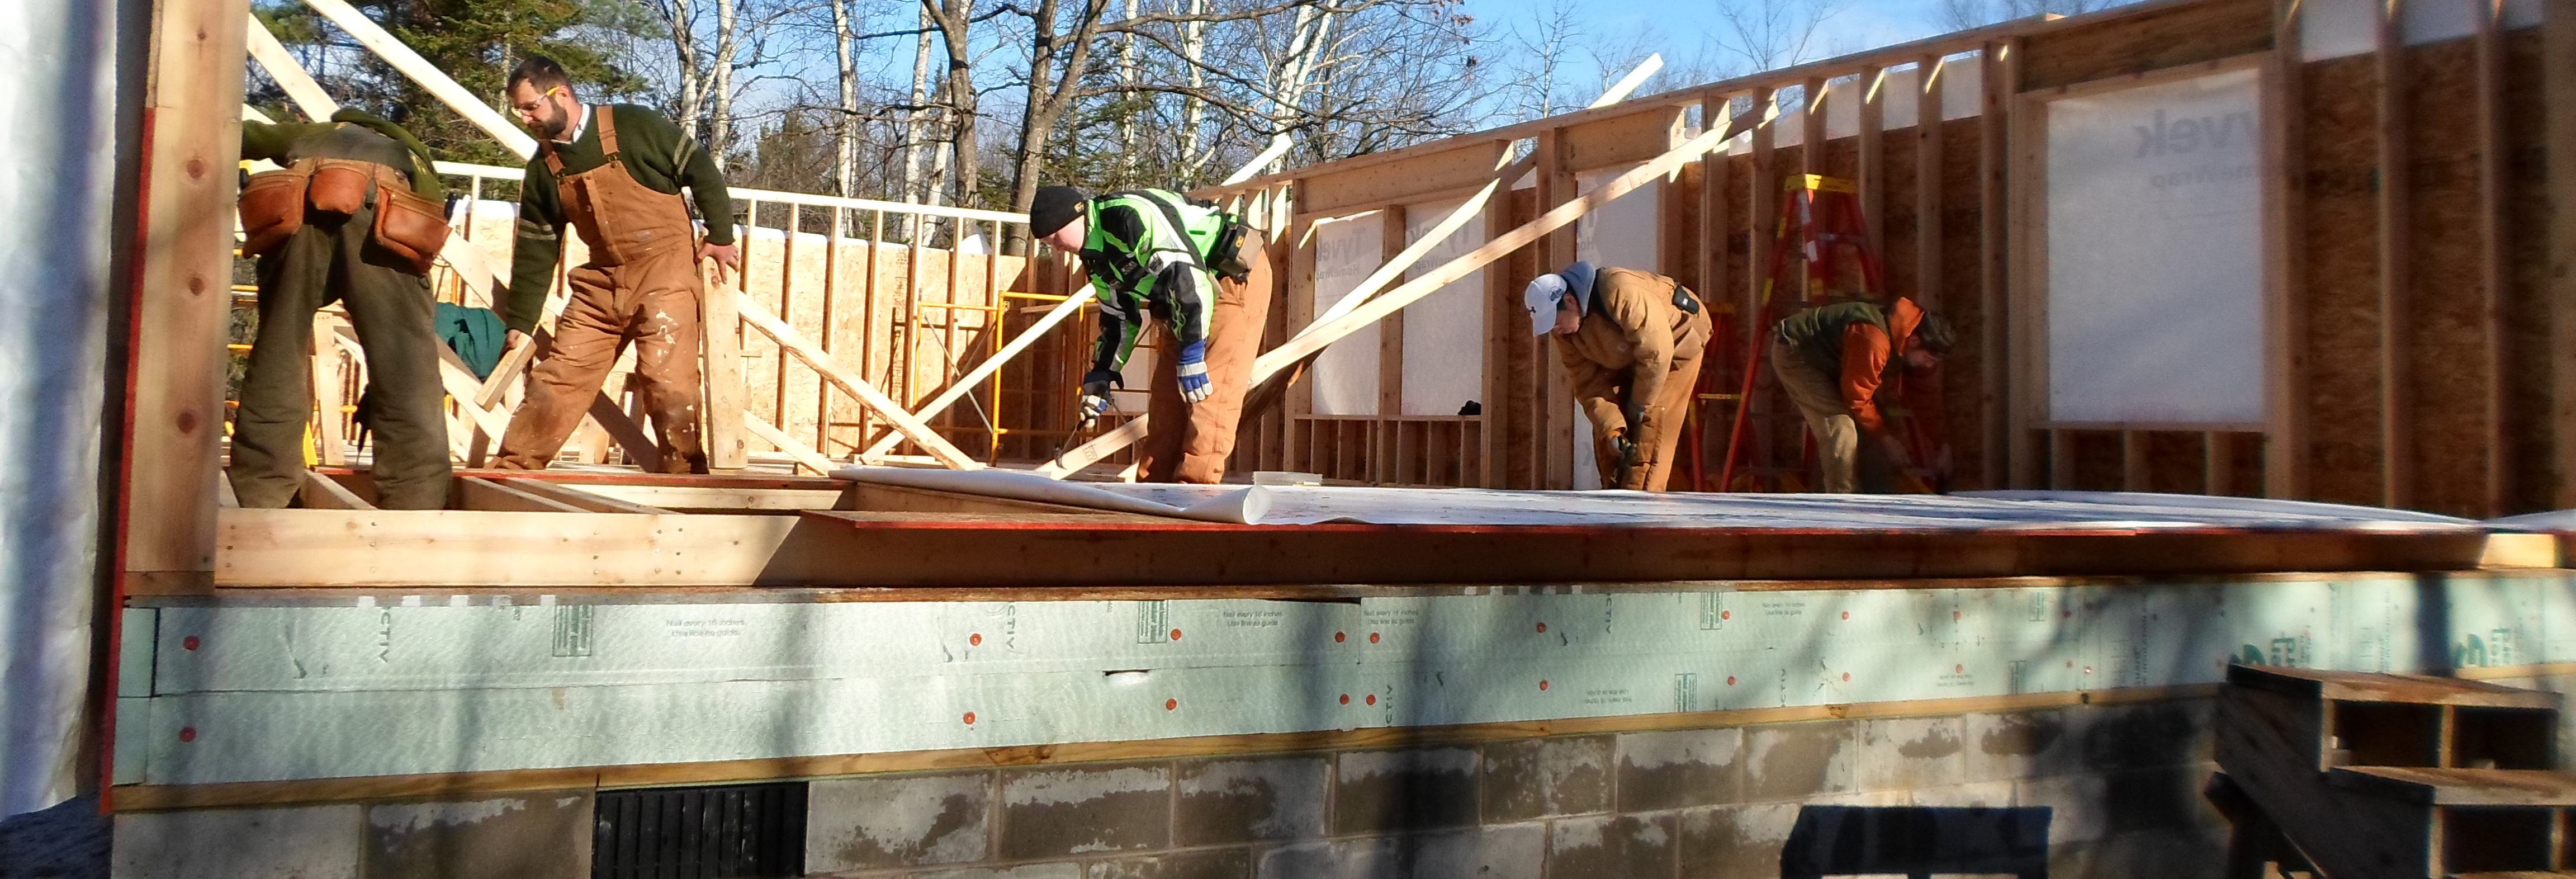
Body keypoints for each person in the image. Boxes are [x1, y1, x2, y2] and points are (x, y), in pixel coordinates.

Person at [489, 55, 741, 473]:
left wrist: (720, 237)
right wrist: (521, 320)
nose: (525, 118)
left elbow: (701, 169)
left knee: (666, 381)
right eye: (520, 110)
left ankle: (684, 478)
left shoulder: (634, 126)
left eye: (531, 106)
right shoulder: (544, 166)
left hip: (665, 272)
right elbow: (538, 245)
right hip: (601, 282)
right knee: (559, 378)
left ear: (562, 94)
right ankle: (513, 471)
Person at [230, 108, 453, 509]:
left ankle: (265, 496)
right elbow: (425, 234)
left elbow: (239, 133)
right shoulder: (411, 153)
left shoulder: (314, 132)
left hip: (298, 206)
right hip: (382, 210)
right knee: (406, 371)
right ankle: (414, 505)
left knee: (278, 353)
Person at [1032, 185, 1275, 484]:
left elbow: (1189, 279)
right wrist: (1102, 374)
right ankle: (1155, 488)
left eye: (1055, 238)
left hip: (1229, 276)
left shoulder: (1129, 217)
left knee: (1209, 390)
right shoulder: (1096, 259)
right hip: (1184, 302)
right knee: (1166, 400)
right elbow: (1119, 318)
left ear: (1077, 216)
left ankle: (1195, 493)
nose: (1055, 248)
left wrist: (1192, 353)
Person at [1523, 262, 1712, 492]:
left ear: (1571, 302)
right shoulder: (1566, 331)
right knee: (1609, 445)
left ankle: (1642, 514)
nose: (1555, 330)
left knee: (1648, 433)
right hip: (1631, 354)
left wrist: (1639, 404)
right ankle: (1615, 508)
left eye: (1555, 321)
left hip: (1675, 346)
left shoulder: (1619, 291)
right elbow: (1588, 386)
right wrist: (1613, 431)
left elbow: (1657, 354)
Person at [1767, 296, 1953, 494]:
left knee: (1877, 429)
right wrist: (1886, 438)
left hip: (1836, 363)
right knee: (1840, 427)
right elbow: (1857, 396)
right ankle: (1841, 504)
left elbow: (1925, 399)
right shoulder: (1874, 339)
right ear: (1915, 341)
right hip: (1799, 354)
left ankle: (1878, 500)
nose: (1930, 366)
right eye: (1929, 359)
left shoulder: (1913, 346)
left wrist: (1942, 443)